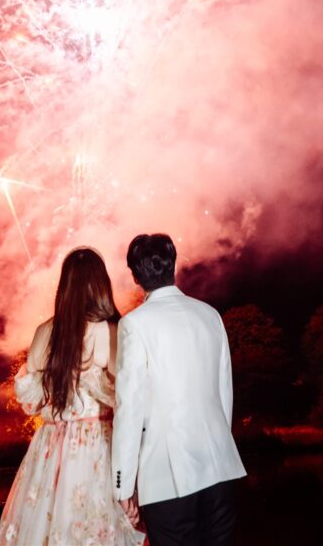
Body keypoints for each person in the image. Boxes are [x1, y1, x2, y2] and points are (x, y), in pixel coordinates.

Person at [0, 247, 144, 546]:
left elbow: (29, 400)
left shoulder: (45, 332)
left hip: (49, 451)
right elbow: (131, 403)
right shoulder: (111, 333)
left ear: (64, 287)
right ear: (100, 285)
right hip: (95, 448)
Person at [112, 233, 246, 546]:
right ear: (173, 265)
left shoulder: (135, 325)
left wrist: (123, 486)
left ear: (135, 276)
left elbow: (129, 409)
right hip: (221, 466)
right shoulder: (209, 314)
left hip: (167, 478)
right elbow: (224, 392)